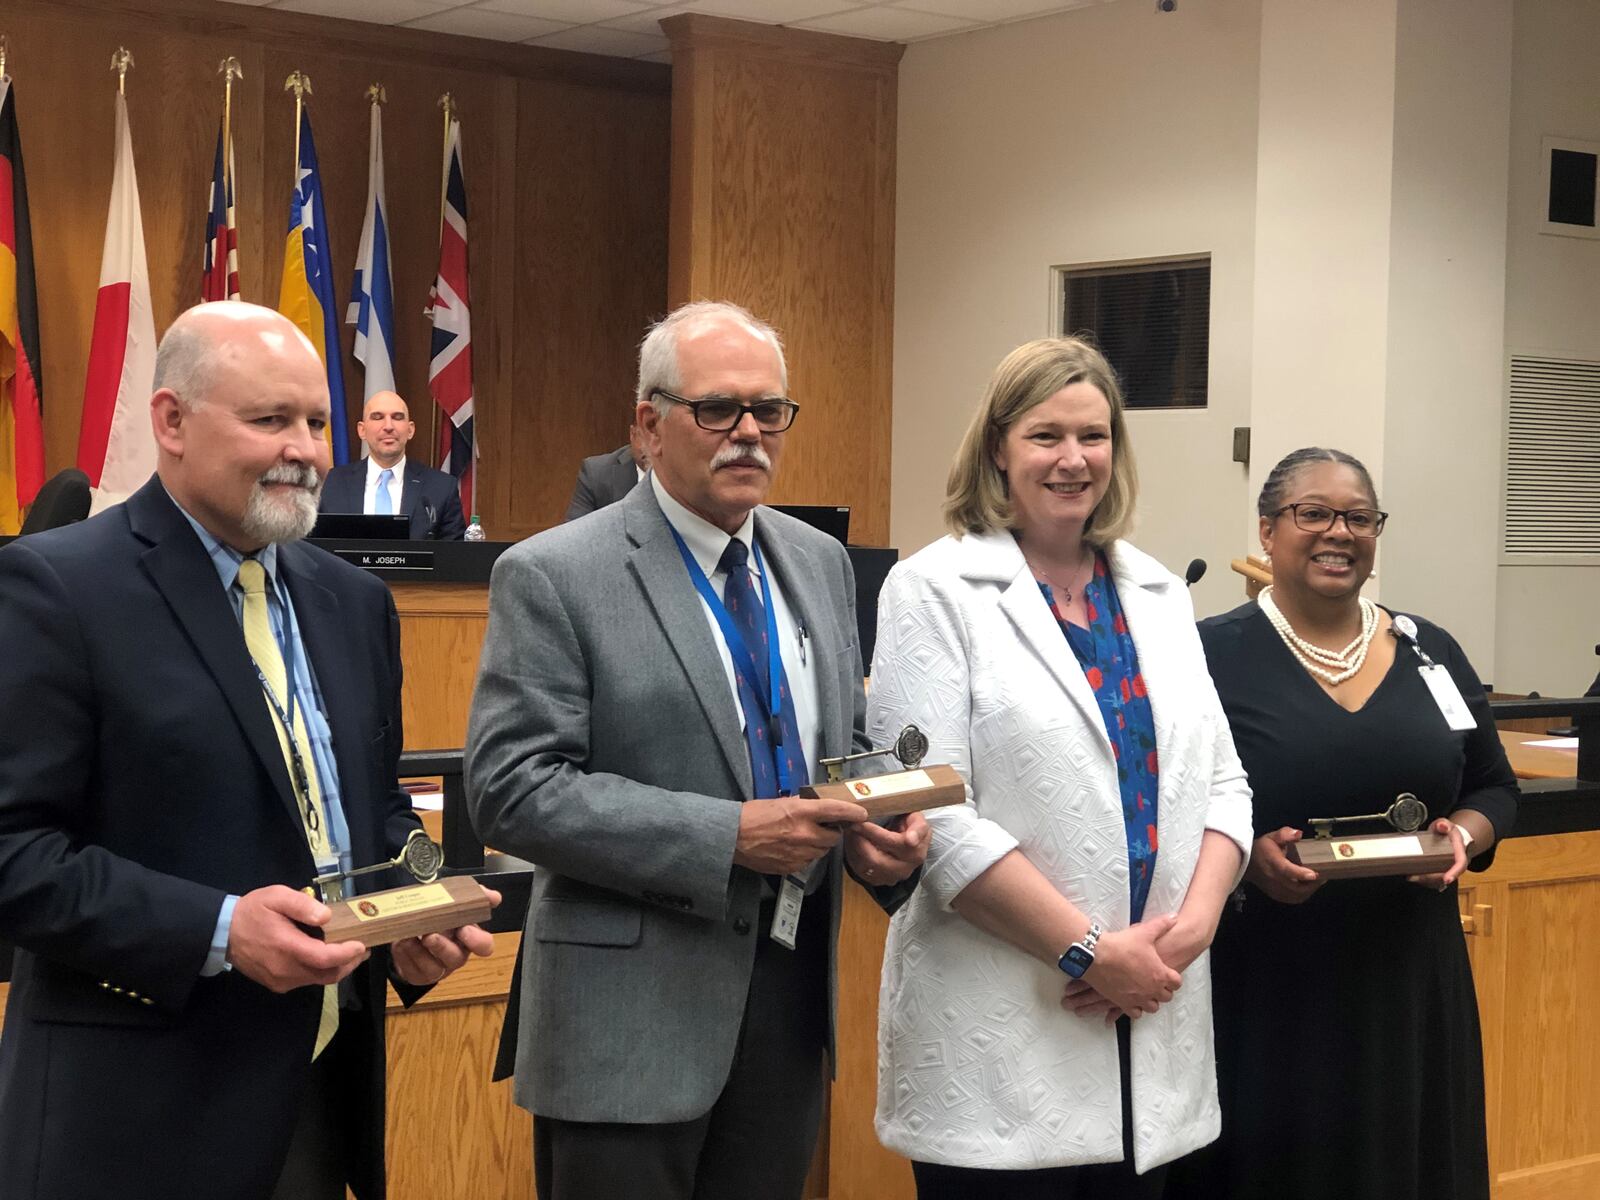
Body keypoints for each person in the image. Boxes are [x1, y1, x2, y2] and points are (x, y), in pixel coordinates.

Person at [0, 302, 495, 1200]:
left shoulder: (350, 600)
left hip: (317, 1101)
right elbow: (14, 854)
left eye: (313, 422)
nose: (303, 450)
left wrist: (411, 915)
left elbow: (369, 810)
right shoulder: (58, 589)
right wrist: (220, 931)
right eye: (269, 421)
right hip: (136, 1122)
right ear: (171, 421)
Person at [466, 299, 929, 1200]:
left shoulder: (819, 561)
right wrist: (727, 836)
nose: (749, 433)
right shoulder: (556, 573)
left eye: (770, 411)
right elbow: (513, 789)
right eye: (717, 410)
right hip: (625, 1027)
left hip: (788, 1012)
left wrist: (883, 827)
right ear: (648, 424)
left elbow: (837, 745)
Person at [866, 337, 1253, 1198]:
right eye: (1046, 436)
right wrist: (1087, 952)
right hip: (1004, 1035)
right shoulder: (933, 590)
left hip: (1155, 1013)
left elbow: (1225, 783)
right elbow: (935, 815)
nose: (1074, 459)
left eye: (1095, 434)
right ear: (998, 448)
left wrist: (1190, 931)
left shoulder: (1157, 592)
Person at [1166, 447, 1518, 1200]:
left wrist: (1462, 835)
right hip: (1267, 978)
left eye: (1360, 518)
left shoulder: (1431, 649)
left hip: (1410, 981)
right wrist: (1244, 859)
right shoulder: (1204, 655)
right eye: (1313, 513)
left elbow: (1493, 788)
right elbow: (1169, 805)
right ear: (1267, 530)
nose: (1340, 532)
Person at [318, 390, 466, 539]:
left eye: (397, 417)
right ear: (361, 430)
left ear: (410, 430)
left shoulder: (441, 488)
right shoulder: (330, 483)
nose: (388, 426)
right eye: (377, 417)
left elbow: (453, 556)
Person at [564, 420, 650, 520]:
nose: (650, 448)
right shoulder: (596, 472)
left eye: (659, 438)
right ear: (632, 434)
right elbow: (575, 531)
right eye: (645, 437)